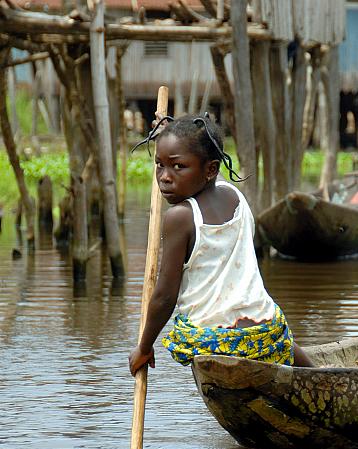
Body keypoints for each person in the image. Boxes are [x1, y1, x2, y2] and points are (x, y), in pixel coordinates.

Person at [128, 113, 313, 377]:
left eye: (178, 167)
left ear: (210, 169)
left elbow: (165, 297)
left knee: (181, 332)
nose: (164, 177)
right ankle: (320, 375)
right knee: (275, 332)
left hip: (214, 343)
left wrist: (144, 347)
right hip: (266, 332)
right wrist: (170, 135)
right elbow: (193, 149)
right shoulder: (235, 197)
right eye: (159, 164)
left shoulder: (179, 217)